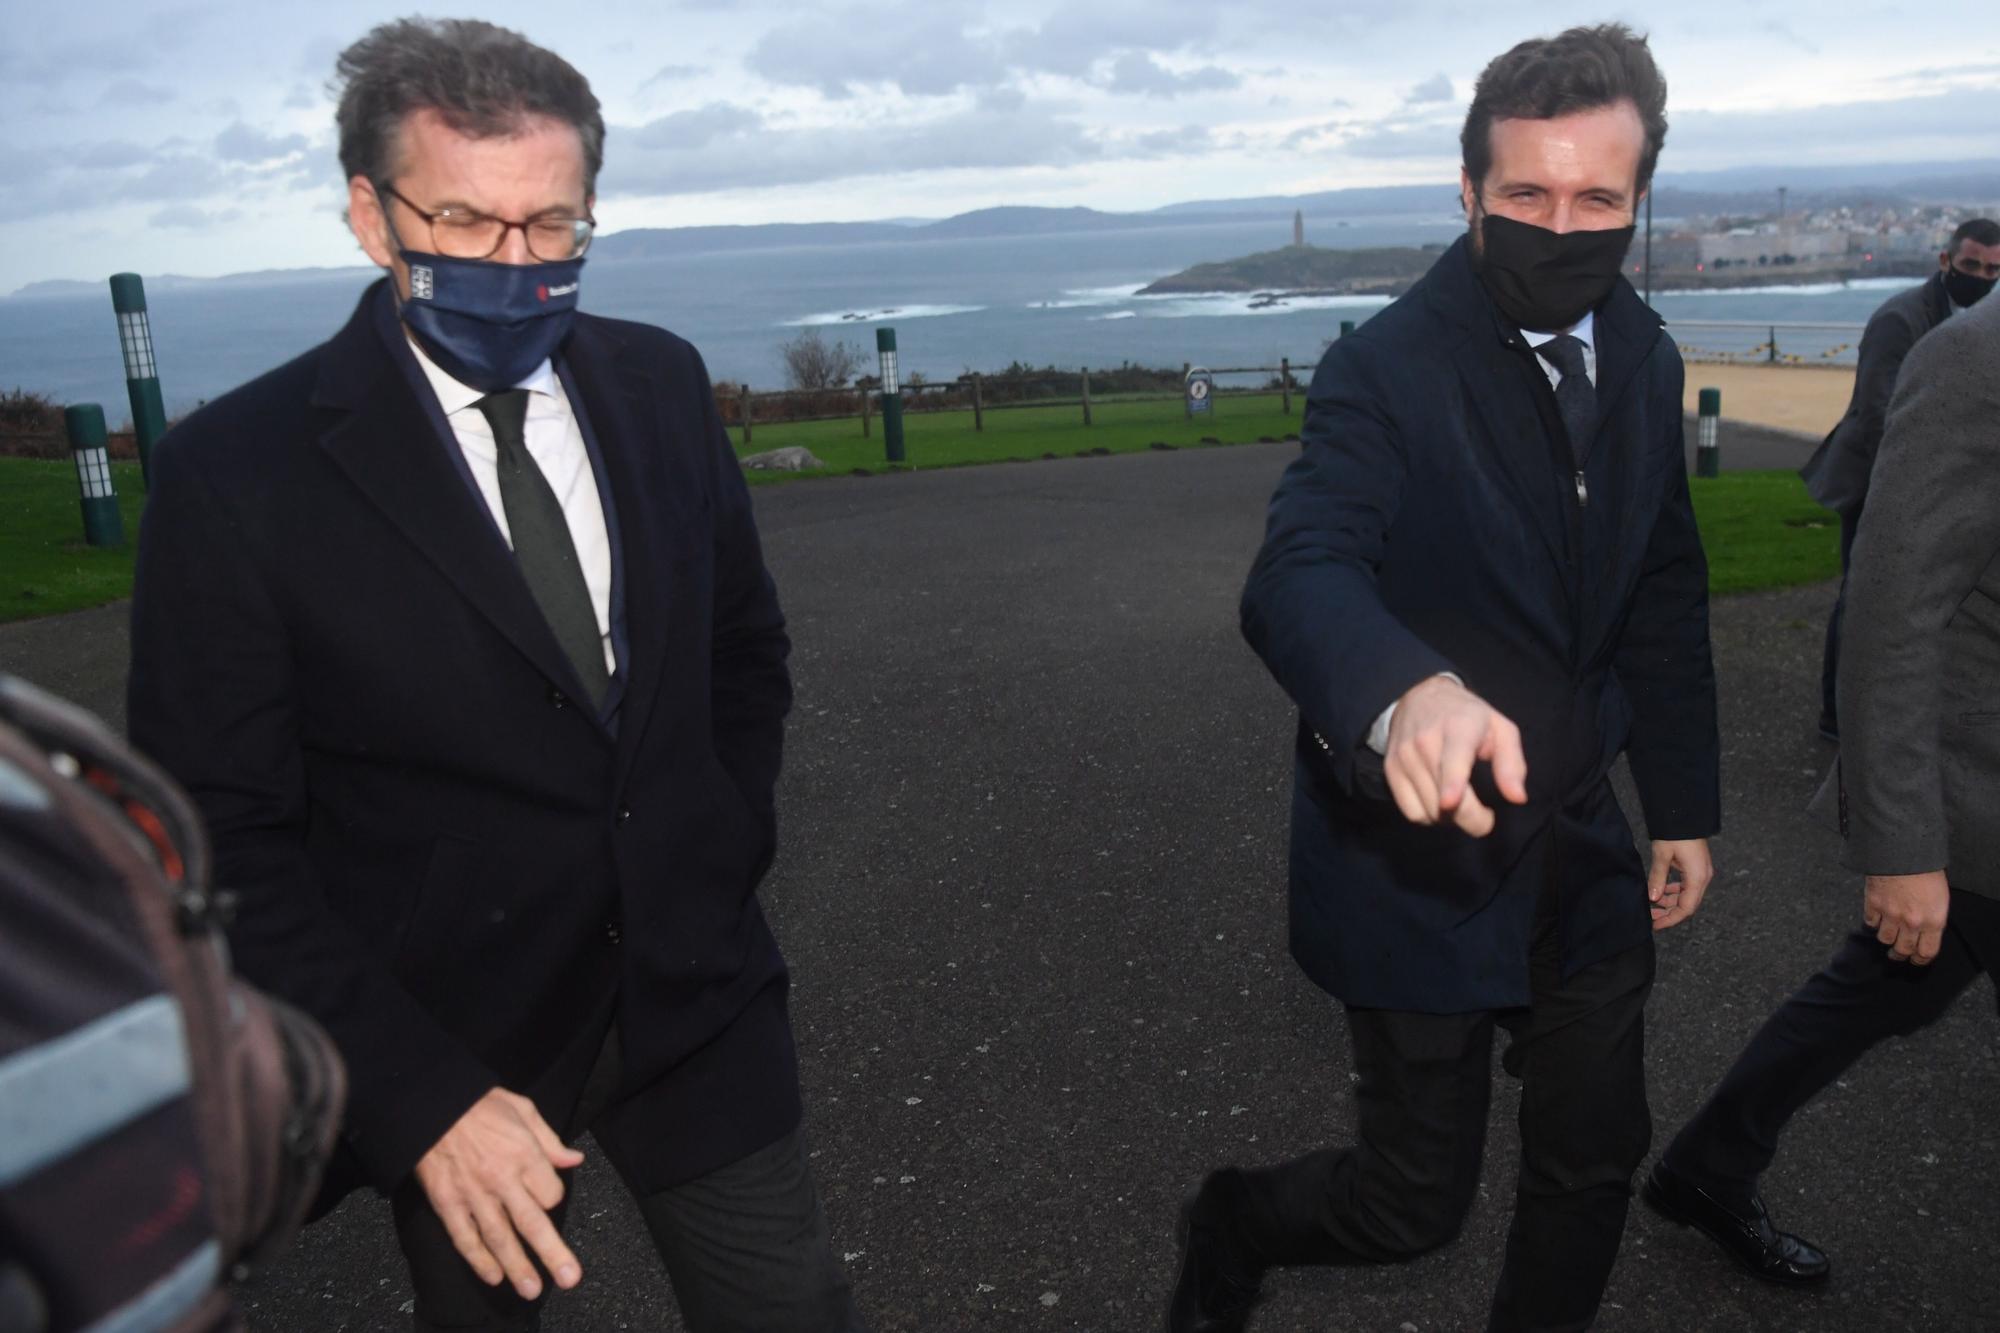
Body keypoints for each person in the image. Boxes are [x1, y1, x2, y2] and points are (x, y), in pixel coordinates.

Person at [126, 18, 862, 1332]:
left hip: (697, 996)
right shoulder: (235, 481)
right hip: (450, 1046)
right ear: (369, 214)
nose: (516, 266)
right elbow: (216, 843)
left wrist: (718, 833)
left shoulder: (662, 383)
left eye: (554, 226)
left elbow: (745, 653)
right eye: (466, 223)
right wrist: (413, 1098)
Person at [1165, 24, 1719, 1333]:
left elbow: (1662, 587)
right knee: (1414, 1204)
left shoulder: (1642, 355)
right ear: (1466, 192)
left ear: (1641, 204)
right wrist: (1403, 690)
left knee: (1593, 1153)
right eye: (1527, 195)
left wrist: (1685, 805)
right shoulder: (1384, 370)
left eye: (1600, 201)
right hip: (1421, 855)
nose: (1562, 227)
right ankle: (1233, 1220)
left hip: (1581, 841)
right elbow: (1298, 567)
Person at [1648, 261, 2000, 1287]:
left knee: (1878, 990)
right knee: (1881, 984)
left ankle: (1707, 1163)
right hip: (1974, 786)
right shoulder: (1974, 357)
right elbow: (1889, 612)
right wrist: (1898, 845)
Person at [1800, 217, 2000, 741]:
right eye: (1972, 265)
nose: (1983, 277)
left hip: (1937, 479)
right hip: (1873, 479)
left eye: (1994, 269)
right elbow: (1877, 414)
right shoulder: (1900, 319)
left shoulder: (1980, 321)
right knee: (1861, 599)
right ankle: (1837, 719)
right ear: (1945, 261)